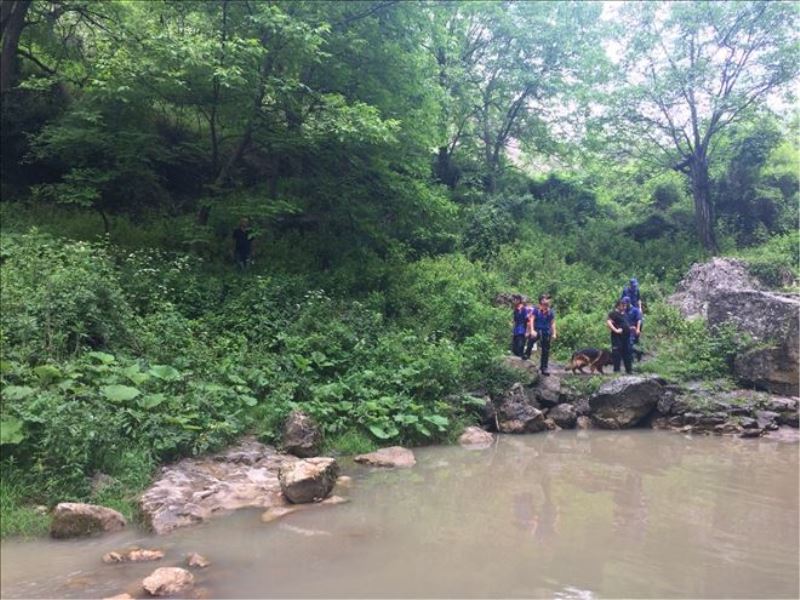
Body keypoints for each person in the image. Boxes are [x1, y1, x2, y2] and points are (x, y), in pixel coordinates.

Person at [531, 294, 557, 375]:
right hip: (537, 330)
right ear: (541, 301)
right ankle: (526, 356)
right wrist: (531, 330)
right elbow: (531, 320)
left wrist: (554, 333)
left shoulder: (550, 312)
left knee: (545, 350)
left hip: (546, 331)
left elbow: (552, 323)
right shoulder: (536, 310)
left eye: (548, 299)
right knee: (530, 342)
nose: (548, 301)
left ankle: (544, 367)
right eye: (546, 299)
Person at [607, 298, 633, 374]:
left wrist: (630, 328)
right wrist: (615, 330)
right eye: (623, 305)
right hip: (617, 337)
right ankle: (616, 370)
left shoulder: (624, 314)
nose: (624, 307)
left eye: (625, 306)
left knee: (627, 353)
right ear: (618, 306)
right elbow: (609, 322)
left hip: (626, 337)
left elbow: (624, 324)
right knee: (617, 353)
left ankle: (629, 370)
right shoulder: (613, 313)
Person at [624, 295, 644, 362]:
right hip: (626, 329)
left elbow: (639, 320)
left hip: (633, 330)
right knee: (626, 344)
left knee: (630, 343)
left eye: (625, 303)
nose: (624, 305)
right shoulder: (624, 310)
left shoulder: (635, 310)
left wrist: (638, 329)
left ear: (629, 303)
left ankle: (632, 359)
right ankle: (638, 353)